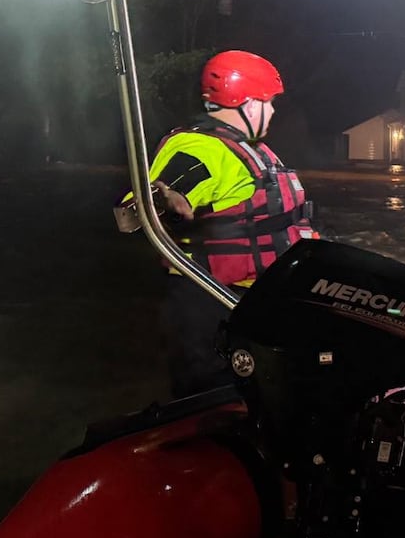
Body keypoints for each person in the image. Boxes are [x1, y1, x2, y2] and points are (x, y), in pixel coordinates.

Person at [115, 50, 321, 396]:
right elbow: (139, 208)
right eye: (268, 102)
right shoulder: (200, 147)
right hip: (209, 305)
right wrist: (165, 199)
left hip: (246, 301)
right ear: (247, 103)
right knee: (211, 401)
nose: (272, 110)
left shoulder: (248, 149)